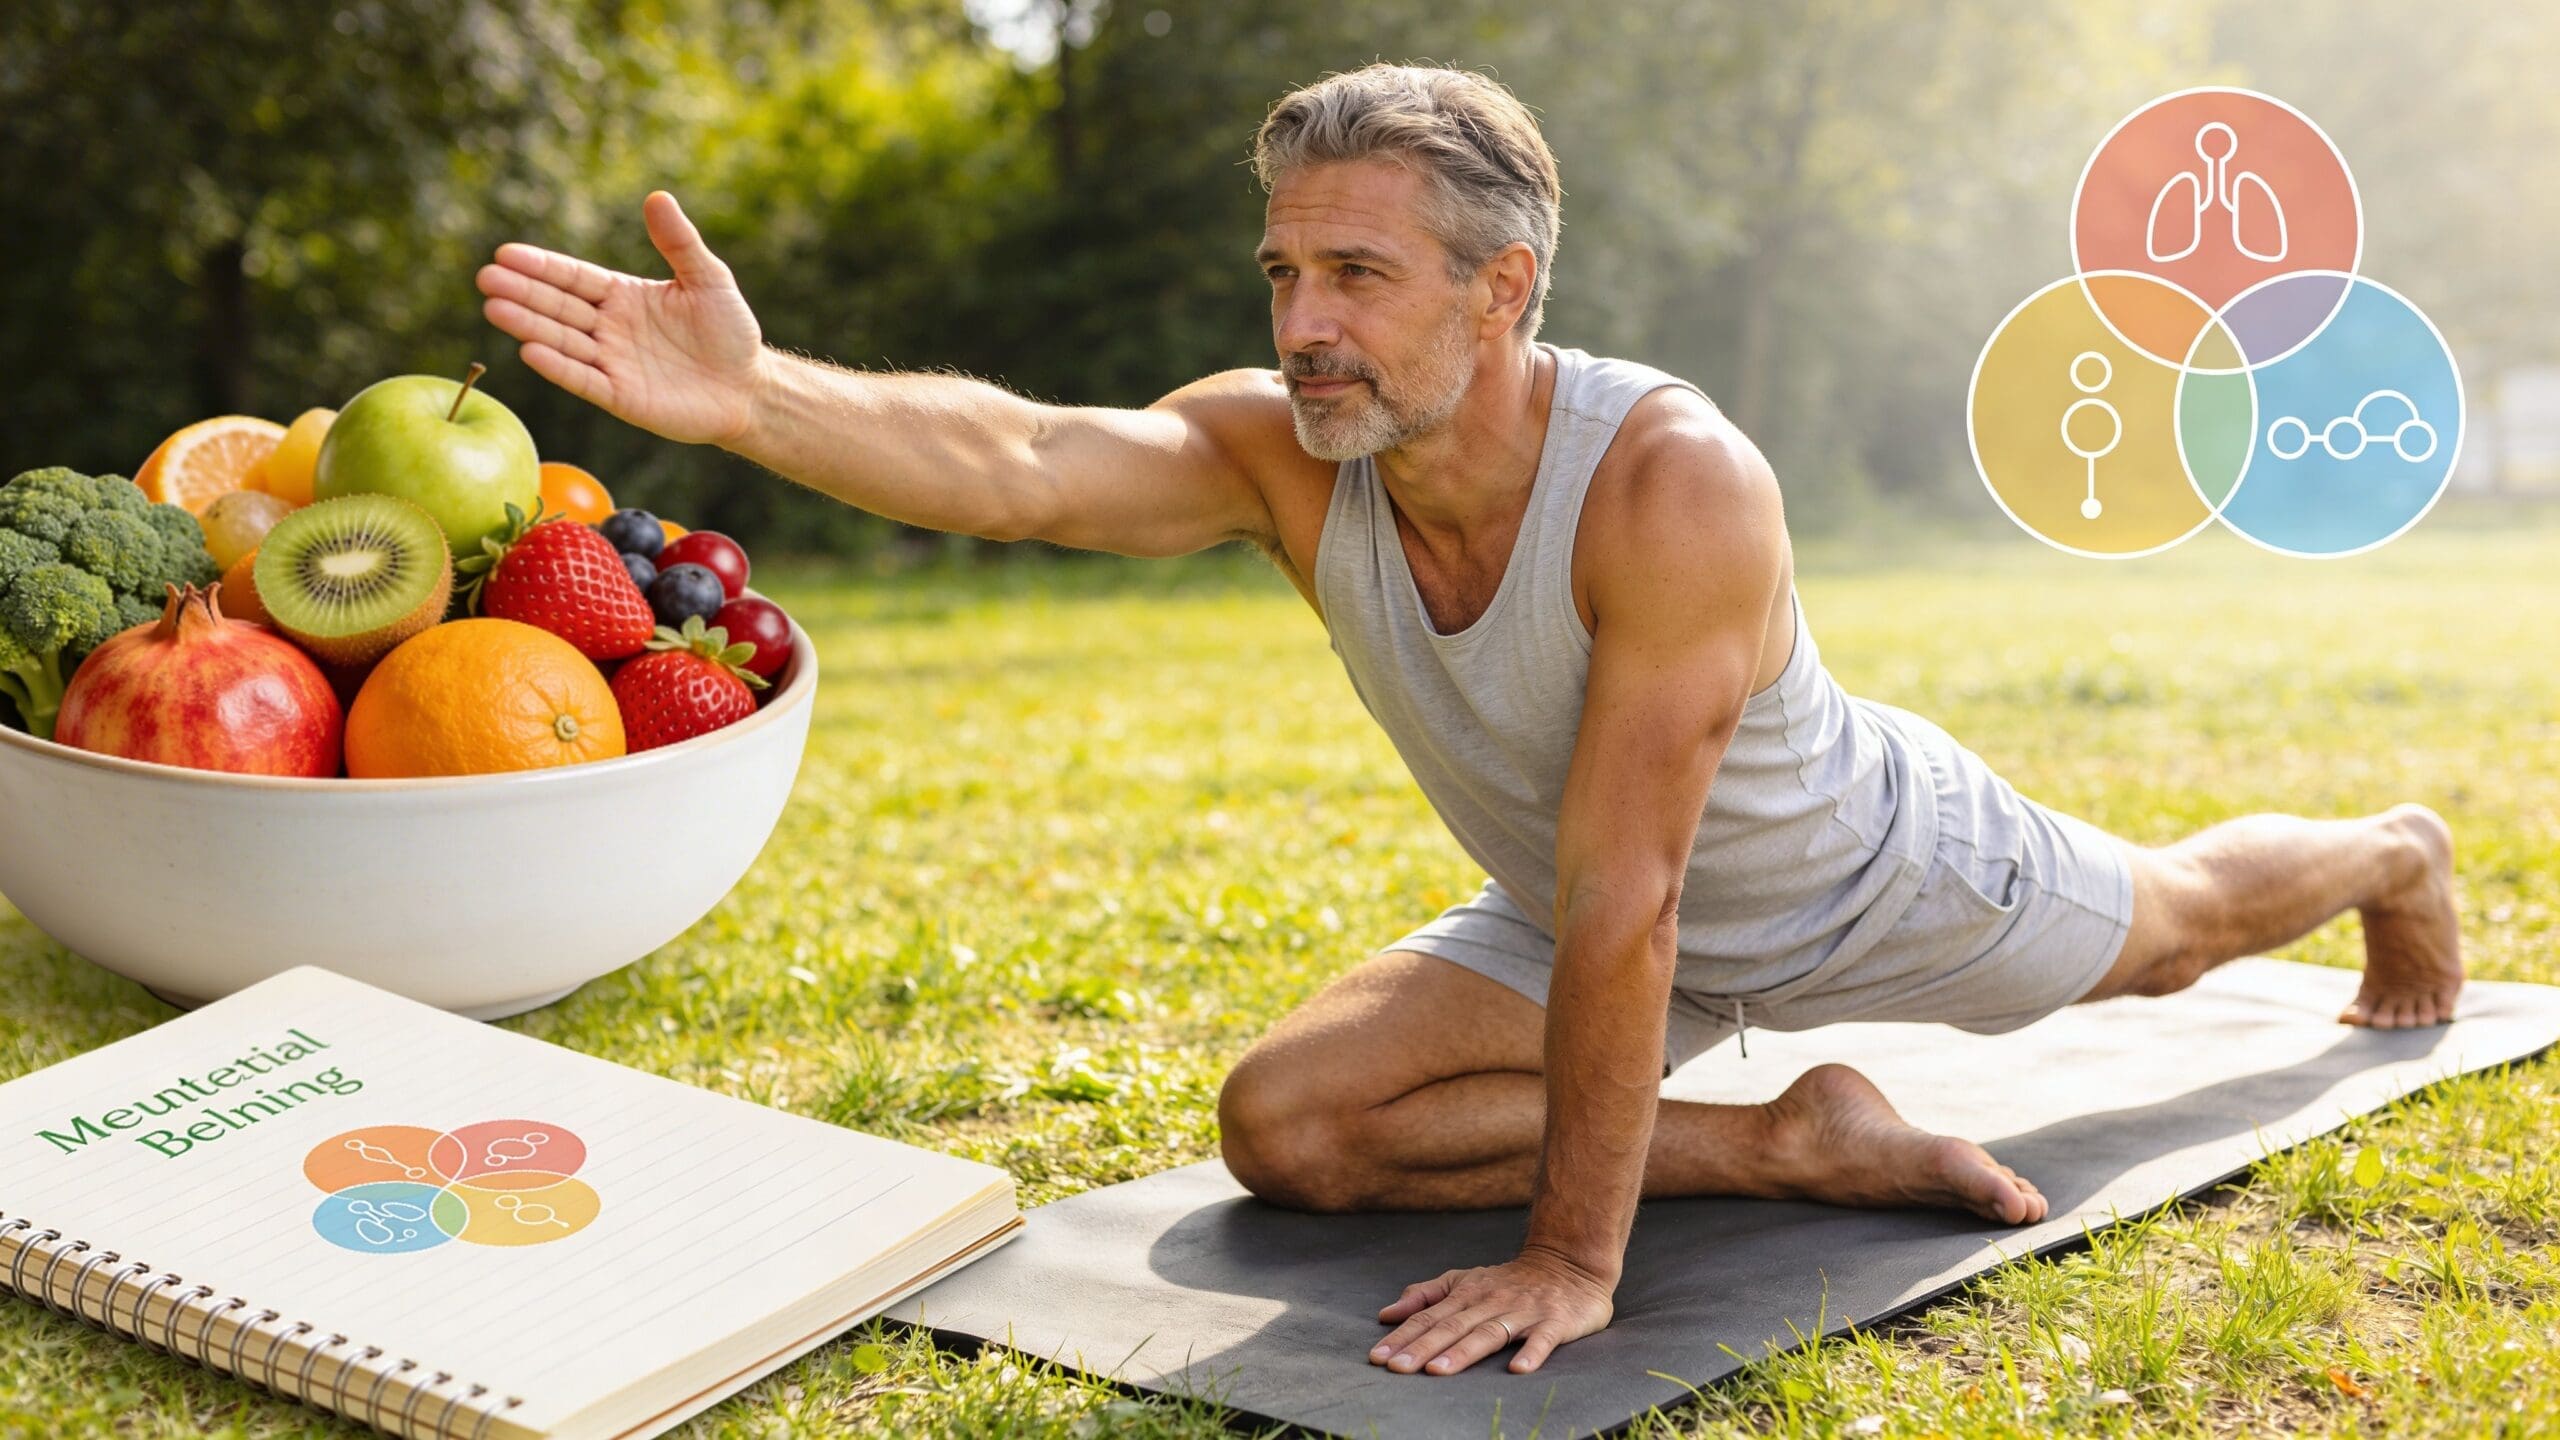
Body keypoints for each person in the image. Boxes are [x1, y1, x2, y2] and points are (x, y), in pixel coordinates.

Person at [475, 60, 2465, 1385]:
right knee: (1292, 1125)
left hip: (1863, 873)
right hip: (1577, 901)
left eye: (1357, 273)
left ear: (1499, 289)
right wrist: (751, 403)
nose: (1303, 322)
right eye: (1283, 273)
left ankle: (2389, 848)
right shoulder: (1284, 451)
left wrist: (1573, 1267)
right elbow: (1014, 455)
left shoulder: (1669, 480)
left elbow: (1634, 900)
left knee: (2175, 932)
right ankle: (1796, 1136)